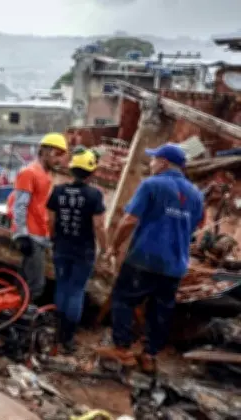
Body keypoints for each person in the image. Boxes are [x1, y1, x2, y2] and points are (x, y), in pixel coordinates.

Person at [98, 144, 204, 373]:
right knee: (160, 310)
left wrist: (113, 247)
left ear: (164, 163)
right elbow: (194, 227)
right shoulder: (196, 194)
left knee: (124, 299)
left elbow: (128, 220)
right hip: (175, 265)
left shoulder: (152, 185)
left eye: (154, 159)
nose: (151, 163)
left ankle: (123, 349)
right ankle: (149, 355)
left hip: (144, 258)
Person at [46, 149, 107, 354]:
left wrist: (54, 239)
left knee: (62, 287)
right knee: (76, 291)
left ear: (72, 169)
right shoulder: (94, 195)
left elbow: (51, 220)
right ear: (91, 172)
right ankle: (68, 338)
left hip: (61, 247)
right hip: (84, 251)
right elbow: (99, 226)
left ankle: (57, 332)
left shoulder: (58, 191)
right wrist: (106, 249)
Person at [7, 132, 68, 301]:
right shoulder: (29, 173)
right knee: (35, 285)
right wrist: (21, 235)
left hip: (39, 236)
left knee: (25, 282)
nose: (59, 160)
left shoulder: (45, 175)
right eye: (57, 154)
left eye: (62, 156)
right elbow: (19, 205)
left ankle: (13, 317)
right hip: (31, 236)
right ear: (45, 151)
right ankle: (20, 321)